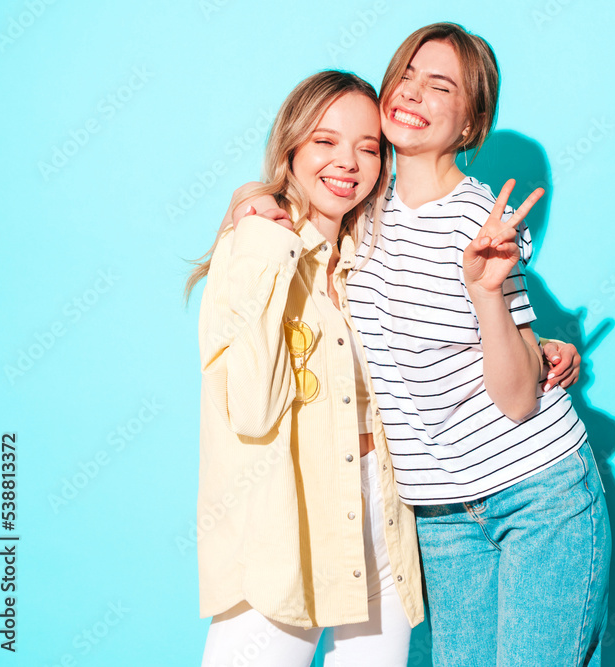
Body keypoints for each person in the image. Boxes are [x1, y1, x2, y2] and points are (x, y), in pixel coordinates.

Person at [232, 22, 609, 666]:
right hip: (438, 520)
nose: (413, 92)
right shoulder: (361, 202)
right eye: (406, 73)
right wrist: (251, 199)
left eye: (441, 86)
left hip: (538, 497)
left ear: (470, 123)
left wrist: (491, 293)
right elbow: (293, 180)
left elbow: (519, 400)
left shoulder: (480, 222)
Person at [184, 70, 423, 667]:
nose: (349, 161)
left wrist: (535, 342)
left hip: (383, 521)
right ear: (290, 146)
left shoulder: (371, 256)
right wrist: (258, 225)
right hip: (286, 530)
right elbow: (254, 406)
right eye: (325, 141)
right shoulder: (256, 245)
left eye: (369, 148)